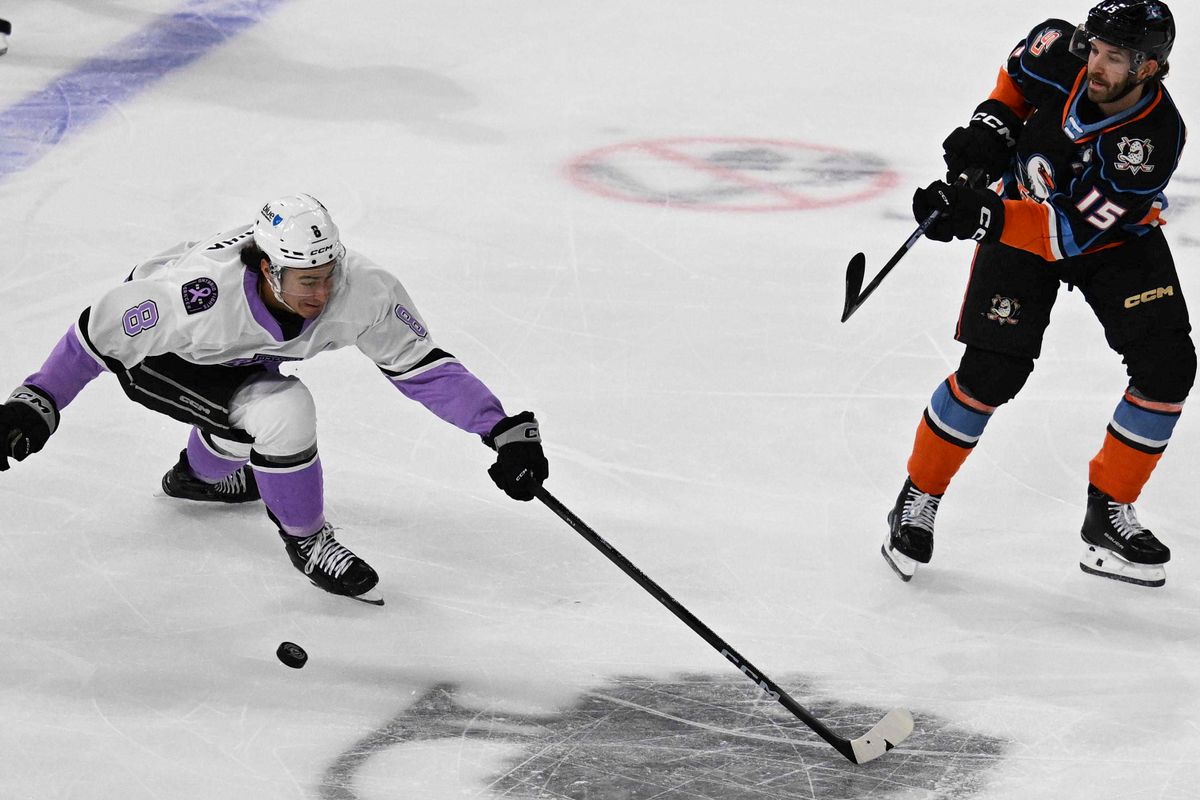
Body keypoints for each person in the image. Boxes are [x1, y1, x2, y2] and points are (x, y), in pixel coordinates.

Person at [0, 194, 549, 604]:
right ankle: (308, 541)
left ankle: (199, 475)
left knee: (256, 412)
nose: (322, 295)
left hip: (241, 358)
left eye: (329, 276)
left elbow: (420, 365)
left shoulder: (364, 289)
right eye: (307, 281)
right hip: (165, 357)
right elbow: (94, 337)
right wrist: (36, 401)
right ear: (268, 268)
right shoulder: (195, 299)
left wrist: (501, 428)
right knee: (283, 412)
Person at [881, 0, 1188, 587]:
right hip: (1022, 214)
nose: (1095, 65)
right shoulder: (1059, 46)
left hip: (1109, 241)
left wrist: (983, 217)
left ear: (1149, 68)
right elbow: (1015, 84)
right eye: (1095, 49)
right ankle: (917, 497)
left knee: (1168, 367)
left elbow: (1070, 233)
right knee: (991, 372)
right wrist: (990, 127)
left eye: (1113, 58)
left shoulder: (1151, 140)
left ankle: (1109, 514)